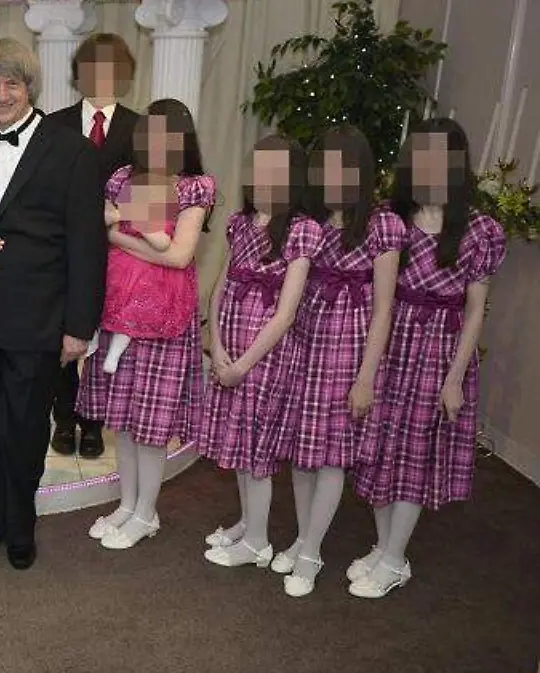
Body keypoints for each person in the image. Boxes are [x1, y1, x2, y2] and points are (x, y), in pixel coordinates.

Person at [0, 38, 106, 570]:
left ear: (30, 88)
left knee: (24, 426)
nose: (1, 94)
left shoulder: (72, 151)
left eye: (12, 84)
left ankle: (21, 524)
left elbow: (87, 245)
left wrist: (79, 327)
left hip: (40, 319)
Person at [349, 118, 505, 598]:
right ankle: (384, 547)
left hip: (439, 354)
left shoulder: (480, 230)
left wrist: (454, 379)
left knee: (415, 458)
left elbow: (475, 311)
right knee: (378, 451)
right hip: (391, 345)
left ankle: (395, 559)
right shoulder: (389, 220)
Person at [75, 100, 216, 551]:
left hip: (165, 320)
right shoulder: (123, 178)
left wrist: (125, 230)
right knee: (125, 422)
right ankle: (127, 504)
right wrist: (131, 233)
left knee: (151, 427)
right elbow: (101, 229)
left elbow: (179, 256)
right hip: (120, 312)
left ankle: (146, 512)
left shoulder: (195, 187)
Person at [273, 127, 405, 597]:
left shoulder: (381, 225)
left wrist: (366, 377)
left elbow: (385, 308)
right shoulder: (308, 221)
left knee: (331, 455)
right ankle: (303, 537)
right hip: (305, 343)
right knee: (302, 451)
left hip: (348, 349)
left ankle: (311, 552)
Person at [200, 134, 322, 569]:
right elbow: (220, 287)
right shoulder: (240, 223)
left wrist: (243, 365)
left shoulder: (302, 231)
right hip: (229, 350)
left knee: (256, 451)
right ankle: (247, 521)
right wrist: (216, 345)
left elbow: (286, 314)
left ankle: (257, 542)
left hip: (265, 359)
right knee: (237, 444)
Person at [44, 32, 140, 458]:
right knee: (63, 333)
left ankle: (93, 423)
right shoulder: (53, 124)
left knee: (105, 341)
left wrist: (118, 215)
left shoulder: (139, 127)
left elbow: (152, 189)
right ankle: (64, 418)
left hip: (120, 250)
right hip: (62, 251)